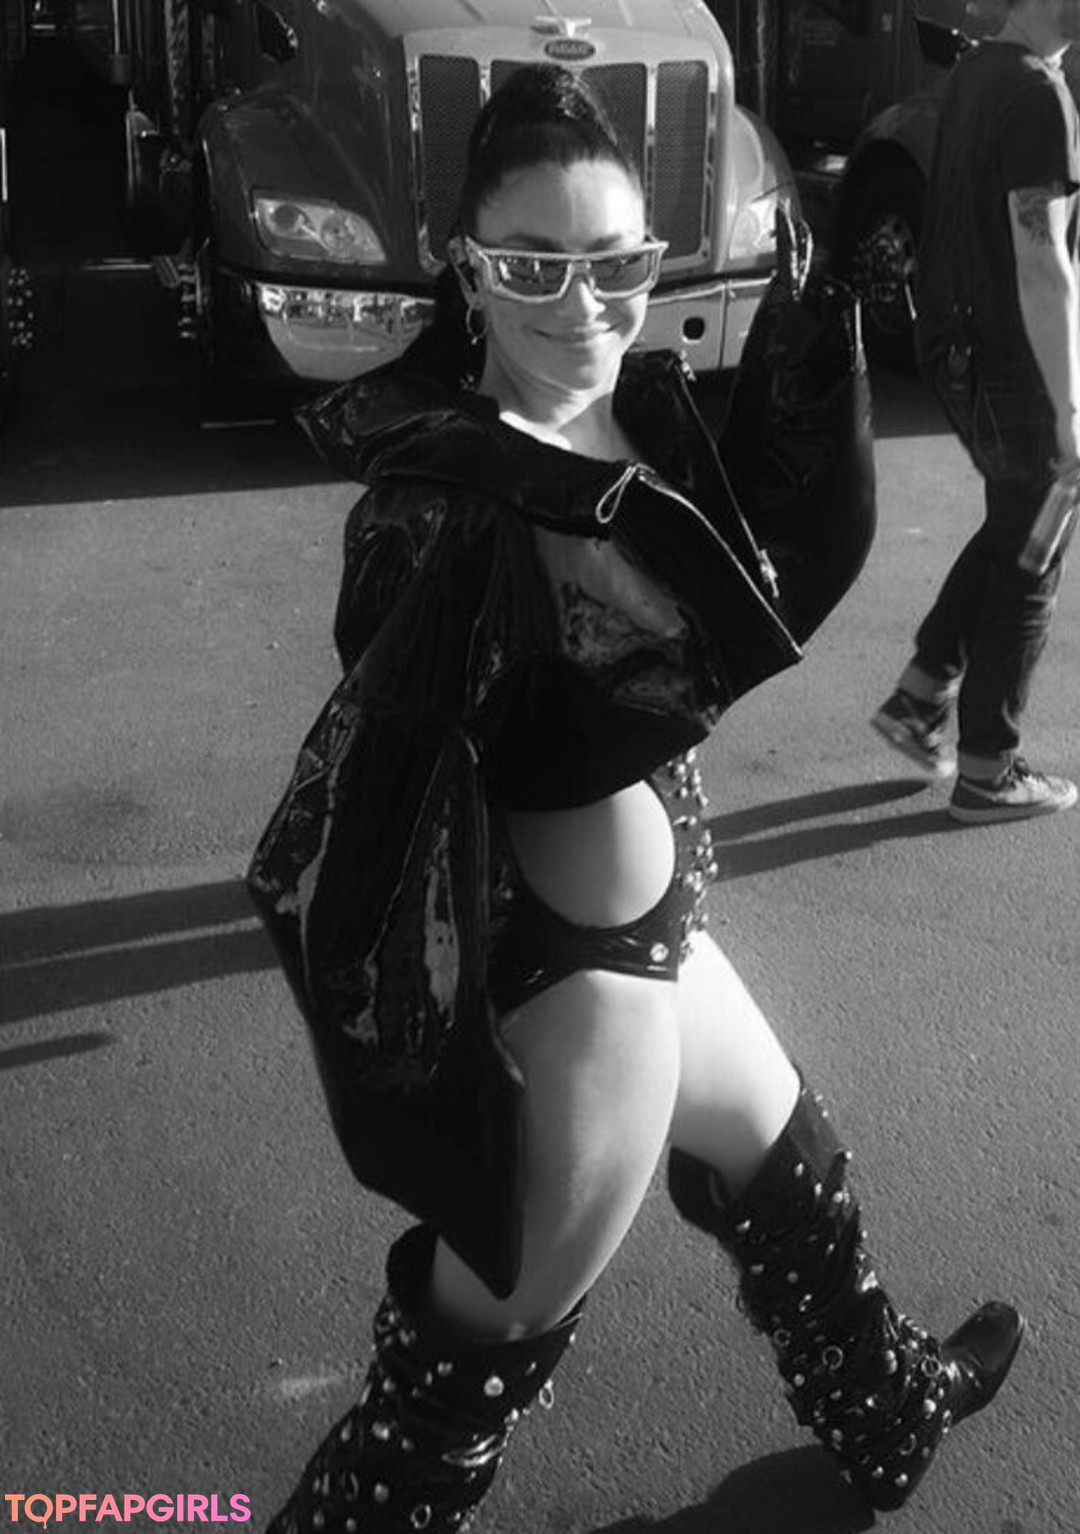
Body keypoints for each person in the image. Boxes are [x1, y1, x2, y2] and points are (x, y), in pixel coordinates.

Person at [249, 65, 1023, 1534]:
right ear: (469, 270)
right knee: (453, 1389)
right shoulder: (443, 496)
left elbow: (773, 566)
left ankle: (892, 1414)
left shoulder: (637, 430)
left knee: (794, 1167)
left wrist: (818, 327)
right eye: (535, 263)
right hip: (582, 1005)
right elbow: (395, 759)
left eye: (616, 262)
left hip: (668, 946)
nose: (583, 302)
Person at [872, 0, 1080, 822]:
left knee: (1013, 525)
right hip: (1012, 362)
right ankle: (990, 770)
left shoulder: (977, 71)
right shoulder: (1037, 96)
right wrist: (1070, 408)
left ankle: (921, 696)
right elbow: (1043, 261)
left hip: (957, 347)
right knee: (1035, 556)